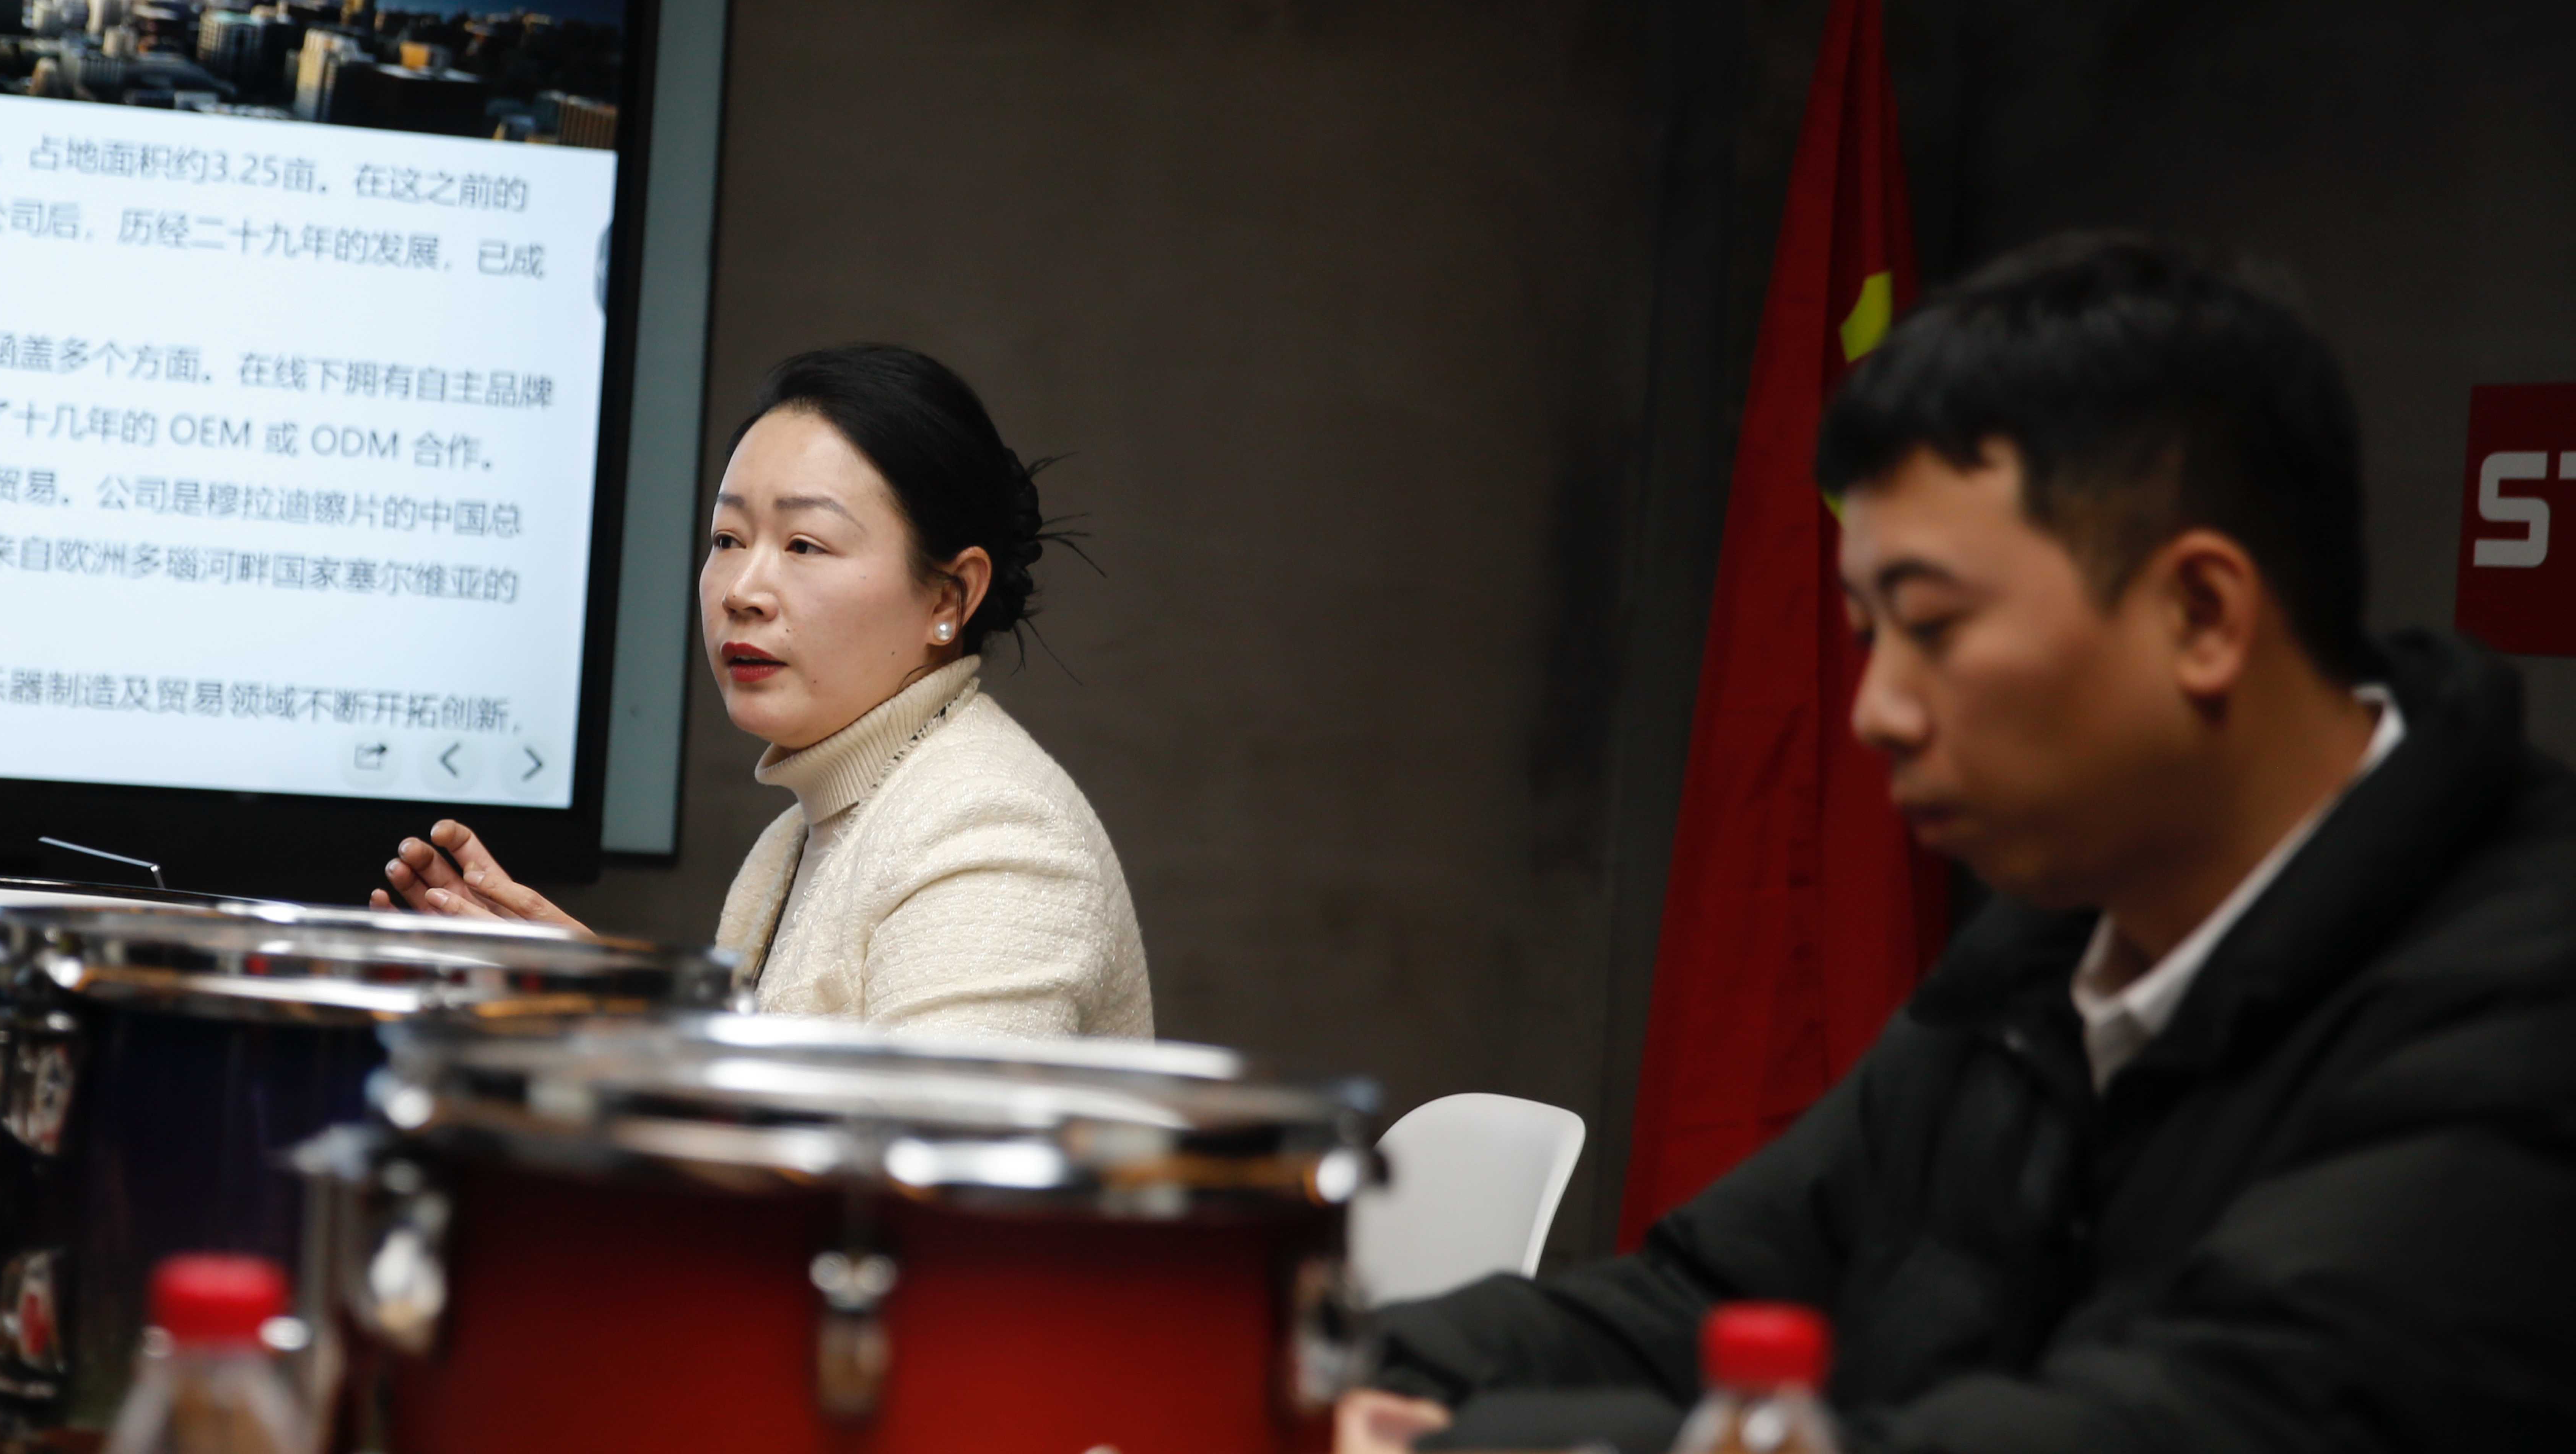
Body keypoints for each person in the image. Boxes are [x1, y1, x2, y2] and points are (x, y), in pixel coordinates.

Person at [1342, 235, 2576, 1450]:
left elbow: (2185, 1424)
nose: (1875, 710)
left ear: (2202, 615)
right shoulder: (2042, 959)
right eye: (1864, 633)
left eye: (1932, 626)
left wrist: (1462, 1446)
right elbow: (1698, 1301)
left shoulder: (2521, 992)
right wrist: (1331, 1383)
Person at [370, 343, 1154, 1039]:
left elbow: (934, 1147)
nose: (742, 590)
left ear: (950, 597)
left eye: (805, 544)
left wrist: (627, 1025)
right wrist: (614, 1002)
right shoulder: (794, 838)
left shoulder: (993, 829)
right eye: (727, 539)